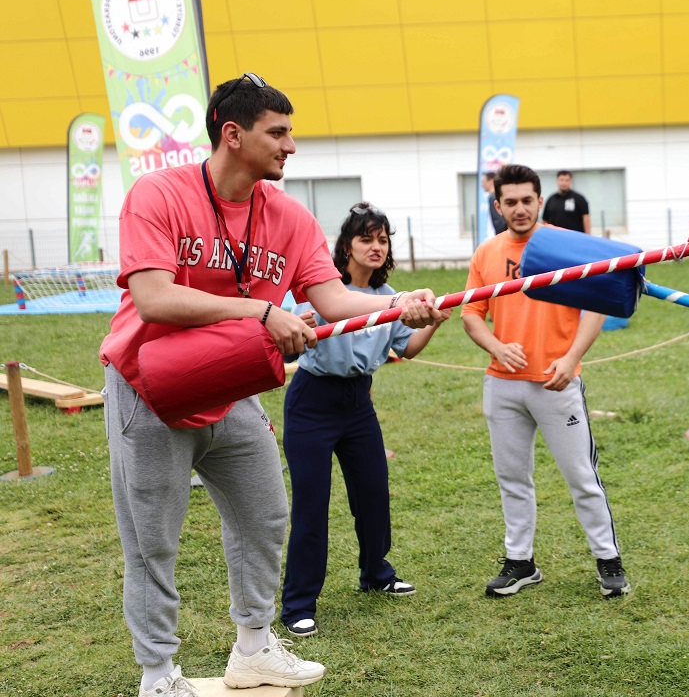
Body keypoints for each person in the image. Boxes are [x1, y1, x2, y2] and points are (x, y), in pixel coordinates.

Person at [99, 72, 445, 697]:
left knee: (264, 514)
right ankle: (158, 675)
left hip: (230, 387)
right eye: (278, 133)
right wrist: (259, 312)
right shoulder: (158, 194)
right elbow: (151, 297)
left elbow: (335, 299)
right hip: (147, 386)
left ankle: (254, 649)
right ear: (232, 135)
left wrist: (404, 306)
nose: (291, 146)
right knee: (152, 539)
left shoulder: (288, 216)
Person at [461, 163, 629, 598]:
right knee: (512, 478)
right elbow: (470, 315)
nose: (519, 209)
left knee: (581, 477)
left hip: (557, 382)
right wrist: (496, 348)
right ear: (498, 205)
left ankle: (609, 562)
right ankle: (521, 563)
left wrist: (571, 358)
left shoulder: (564, 245)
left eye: (527, 200)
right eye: (510, 202)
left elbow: (596, 306)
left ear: (540, 200)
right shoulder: (486, 254)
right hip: (503, 384)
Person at [280, 202, 447, 639]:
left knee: (374, 494)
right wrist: (299, 324)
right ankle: (298, 603)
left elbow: (407, 349)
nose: (376, 247)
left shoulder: (389, 295)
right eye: (365, 239)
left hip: (358, 405)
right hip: (312, 402)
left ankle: (376, 572)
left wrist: (435, 322)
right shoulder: (317, 290)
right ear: (347, 246)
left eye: (382, 239)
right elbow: (286, 342)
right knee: (312, 505)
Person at [540, 169, 591, 234]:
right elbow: (545, 220)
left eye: (567, 180)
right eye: (561, 180)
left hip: (574, 237)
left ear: (571, 181)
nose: (564, 183)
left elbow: (586, 218)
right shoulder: (551, 199)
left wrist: (587, 236)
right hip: (554, 237)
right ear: (557, 181)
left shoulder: (579, 198)